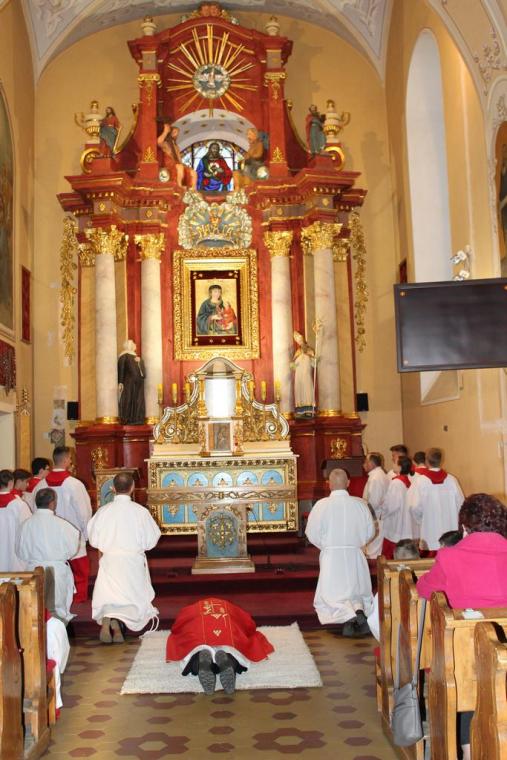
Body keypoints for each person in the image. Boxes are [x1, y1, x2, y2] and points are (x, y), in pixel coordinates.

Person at [417, 493, 507, 760]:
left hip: (467, 657)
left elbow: (424, 590)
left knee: (468, 681)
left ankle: (468, 753)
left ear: (465, 526)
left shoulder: (450, 557)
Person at [87, 472, 161, 643]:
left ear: (113, 488)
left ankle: (110, 621)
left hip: (110, 559)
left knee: (109, 594)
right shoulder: (140, 512)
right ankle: (118, 626)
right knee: (129, 597)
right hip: (132, 561)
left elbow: (93, 539)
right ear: (133, 487)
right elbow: (152, 539)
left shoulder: (103, 511)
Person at [305, 468, 375, 636]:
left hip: (332, 556)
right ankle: (357, 611)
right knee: (355, 588)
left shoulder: (321, 506)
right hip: (354, 554)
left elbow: (311, 532)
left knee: (333, 592)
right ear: (348, 483)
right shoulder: (360, 505)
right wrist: (357, 543)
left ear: (329, 484)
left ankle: (348, 616)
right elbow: (370, 531)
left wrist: (327, 546)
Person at [166, 597, 274, 695]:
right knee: (232, 650)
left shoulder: (191, 610)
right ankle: (229, 661)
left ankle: (200, 661)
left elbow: (176, 627)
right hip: (226, 629)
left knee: (195, 650)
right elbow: (249, 624)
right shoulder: (232, 608)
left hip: (198, 631)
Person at [33, 446, 92, 603]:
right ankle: (78, 599)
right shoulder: (75, 484)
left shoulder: (40, 485)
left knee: (52, 570)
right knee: (79, 570)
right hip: (72, 534)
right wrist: (86, 534)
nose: (71, 461)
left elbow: (34, 509)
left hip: (47, 535)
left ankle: (56, 598)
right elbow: (84, 512)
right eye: (70, 458)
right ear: (66, 460)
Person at [17, 488, 79, 624]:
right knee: (57, 611)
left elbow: (19, 552)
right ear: (52, 503)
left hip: (33, 571)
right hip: (56, 571)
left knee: (34, 610)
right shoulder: (63, 525)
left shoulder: (25, 525)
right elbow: (73, 549)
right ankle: (57, 635)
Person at [409, 447, 464, 552]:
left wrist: (422, 520)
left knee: (431, 559)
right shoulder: (452, 480)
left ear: (426, 461)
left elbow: (415, 508)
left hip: (429, 532)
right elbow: (461, 504)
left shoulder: (420, 481)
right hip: (450, 533)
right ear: (441, 461)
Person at [367, 538, 420, 641]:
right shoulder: (427, 578)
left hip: (394, 640)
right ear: (418, 558)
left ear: (395, 559)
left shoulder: (386, 588)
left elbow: (373, 621)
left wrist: (386, 641)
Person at [381, 456, 414, 558]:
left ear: (400, 467)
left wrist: (383, 510)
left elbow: (392, 506)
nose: (393, 465)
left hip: (395, 524)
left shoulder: (396, 483)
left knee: (389, 555)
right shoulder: (407, 481)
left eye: (395, 463)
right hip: (405, 523)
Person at [0, 469, 31, 571]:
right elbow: (28, 529)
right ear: (11, 483)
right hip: (13, 555)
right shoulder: (19, 505)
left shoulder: (18, 503)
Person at [363, 452, 389, 559]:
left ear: (371, 464)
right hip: (377, 514)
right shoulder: (378, 475)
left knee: (373, 549)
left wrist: (366, 515)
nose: (363, 465)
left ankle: (374, 565)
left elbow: (374, 501)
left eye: (365, 462)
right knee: (374, 547)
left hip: (376, 516)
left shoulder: (376, 478)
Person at [157, 123, 197, 189]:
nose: (176, 134)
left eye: (177, 132)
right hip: (169, 166)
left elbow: (179, 158)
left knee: (193, 172)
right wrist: (165, 131)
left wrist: (184, 165)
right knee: (179, 167)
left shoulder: (176, 146)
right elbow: (159, 142)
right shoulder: (166, 144)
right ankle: (179, 187)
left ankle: (192, 189)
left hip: (178, 164)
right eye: (174, 132)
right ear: (170, 133)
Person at [118, 339, 146, 424]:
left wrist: (140, 362)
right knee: (128, 399)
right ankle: (127, 418)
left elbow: (143, 373)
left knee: (138, 400)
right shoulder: (124, 356)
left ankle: (138, 418)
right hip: (128, 382)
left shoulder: (137, 357)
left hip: (139, 382)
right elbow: (121, 369)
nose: (135, 345)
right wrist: (120, 382)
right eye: (133, 344)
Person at [291, 330, 316, 417]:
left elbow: (314, 364)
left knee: (308, 389)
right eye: (299, 341)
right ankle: (300, 411)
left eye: (301, 340)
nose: (300, 343)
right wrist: (292, 363)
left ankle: (309, 409)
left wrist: (311, 357)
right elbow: (293, 367)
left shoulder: (310, 350)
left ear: (304, 340)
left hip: (307, 373)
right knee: (299, 390)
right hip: (299, 375)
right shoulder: (297, 352)